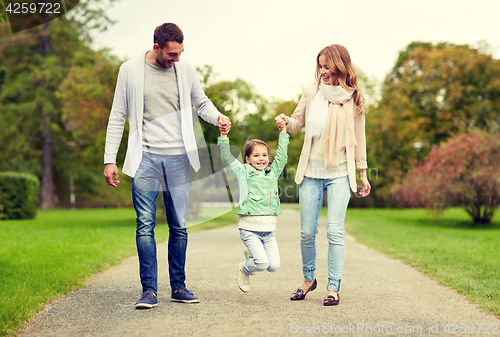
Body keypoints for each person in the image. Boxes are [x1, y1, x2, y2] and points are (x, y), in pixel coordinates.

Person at [103, 23, 231, 309]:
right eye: (172, 54)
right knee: (145, 225)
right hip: (145, 157)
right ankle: (149, 290)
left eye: (181, 53)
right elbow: (117, 115)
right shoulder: (129, 70)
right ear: (157, 47)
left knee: (180, 226)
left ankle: (178, 286)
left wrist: (219, 117)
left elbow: (202, 103)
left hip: (178, 158)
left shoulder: (184, 70)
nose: (177, 58)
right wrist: (109, 159)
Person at [275, 44, 370, 306]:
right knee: (307, 232)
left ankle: (333, 287)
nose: (323, 71)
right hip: (311, 171)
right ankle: (309, 280)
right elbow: (296, 122)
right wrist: (285, 121)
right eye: (320, 65)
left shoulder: (353, 97)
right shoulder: (312, 92)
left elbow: (359, 137)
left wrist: (363, 173)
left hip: (340, 171)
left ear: (340, 66)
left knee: (334, 231)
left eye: (327, 66)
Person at [217, 120, 289, 292]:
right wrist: (224, 136)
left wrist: (283, 133)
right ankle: (245, 267)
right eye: (256, 156)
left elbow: (283, 156)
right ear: (248, 159)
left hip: (269, 231)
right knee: (262, 263)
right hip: (249, 229)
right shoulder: (243, 171)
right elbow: (227, 159)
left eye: (264, 155)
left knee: (274, 266)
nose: (261, 159)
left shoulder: (273, 172)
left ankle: (253, 258)